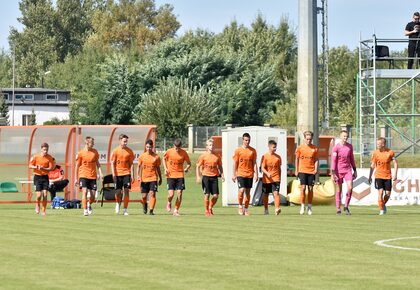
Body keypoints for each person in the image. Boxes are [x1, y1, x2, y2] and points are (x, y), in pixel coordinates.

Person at [368, 137, 398, 215]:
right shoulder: (375, 153)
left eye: (378, 144)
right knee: (380, 192)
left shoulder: (390, 152)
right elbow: (373, 165)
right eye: (377, 143)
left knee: (387, 194)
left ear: (383, 144)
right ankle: (381, 209)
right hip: (378, 175)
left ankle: (383, 204)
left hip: (388, 176)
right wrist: (370, 176)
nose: (377, 145)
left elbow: (395, 163)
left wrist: (395, 174)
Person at [196, 139, 225, 216]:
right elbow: (198, 166)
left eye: (212, 145)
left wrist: (222, 175)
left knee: (216, 196)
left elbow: (220, 166)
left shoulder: (217, 156)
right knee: (207, 194)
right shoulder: (203, 156)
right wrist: (198, 176)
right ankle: (206, 210)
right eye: (210, 145)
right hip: (206, 177)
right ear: (207, 146)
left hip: (214, 177)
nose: (211, 146)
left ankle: (210, 207)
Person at [75, 136, 103, 216]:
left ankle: (88, 204)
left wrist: (100, 173)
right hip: (83, 175)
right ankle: (85, 210)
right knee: (84, 192)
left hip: (92, 176)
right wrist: (76, 178)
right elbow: (77, 166)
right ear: (87, 143)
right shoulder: (81, 153)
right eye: (92, 143)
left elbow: (97, 163)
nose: (93, 144)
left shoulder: (95, 152)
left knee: (93, 196)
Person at [331, 130, 357, 215]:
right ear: (340, 137)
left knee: (350, 187)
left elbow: (352, 159)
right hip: (338, 171)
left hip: (347, 170)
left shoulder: (350, 146)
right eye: (344, 136)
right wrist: (333, 173)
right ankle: (338, 208)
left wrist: (355, 170)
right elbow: (334, 160)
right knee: (339, 189)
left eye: (346, 136)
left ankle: (346, 206)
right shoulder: (336, 147)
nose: (345, 138)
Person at [163, 139, 191, 216]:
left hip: (180, 175)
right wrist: (165, 169)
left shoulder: (184, 153)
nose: (177, 149)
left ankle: (176, 210)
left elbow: (189, 163)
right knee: (171, 195)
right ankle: (169, 202)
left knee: (179, 193)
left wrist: (186, 168)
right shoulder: (169, 151)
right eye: (176, 147)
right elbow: (164, 159)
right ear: (173, 146)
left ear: (180, 146)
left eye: (178, 148)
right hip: (170, 175)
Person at [232, 133, 258, 216]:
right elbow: (235, 162)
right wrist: (234, 174)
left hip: (250, 174)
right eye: (246, 140)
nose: (247, 142)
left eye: (249, 140)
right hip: (240, 173)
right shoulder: (238, 150)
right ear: (243, 140)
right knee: (241, 190)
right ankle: (240, 206)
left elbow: (254, 163)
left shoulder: (253, 151)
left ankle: (246, 209)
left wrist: (256, 174)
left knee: (247, 192)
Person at [295, 131, 319, 215]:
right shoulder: (300, 148)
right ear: (304, 139)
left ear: (312, 139)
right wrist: (296, 170)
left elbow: (316, 159)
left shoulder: (314, 148)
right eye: (307, 139)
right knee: (303, 188)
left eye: (310, 139)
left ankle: (309, 206)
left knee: (310, 188)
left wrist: (316, 169)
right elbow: (297, 159)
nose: (309, 140)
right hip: (302, 170)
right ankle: (302, 205)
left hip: (311, 171)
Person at [111, 134, 135, 216]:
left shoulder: (130, 151)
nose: (125, 143)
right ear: (120, 141)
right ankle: (118, 203)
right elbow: (112, 163)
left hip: (126, 173)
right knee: (118, 192)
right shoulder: (115, 151)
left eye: (126, 141)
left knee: (126, 191)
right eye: (124, 141)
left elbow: (131, 164)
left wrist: (132, 175)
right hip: (118, 174)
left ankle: (125, 210)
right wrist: (114, 174)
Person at [29, 143, 55, 216]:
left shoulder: (49, 157)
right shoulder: (36, 156)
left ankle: (43, 211)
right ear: (41, 149)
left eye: (46, 150)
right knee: (39, 196)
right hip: (37, 177)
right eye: (44, 149)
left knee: (45, 194)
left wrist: (43, 168)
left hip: (45, 177)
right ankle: (37, 205)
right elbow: (30, 165)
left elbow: (51, 168)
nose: (45, 151)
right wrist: (36, 167)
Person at [137, 139, 162, 215]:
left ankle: (151, 210)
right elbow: (138, 166)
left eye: (150, 147)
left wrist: (160, 178)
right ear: (145, 147)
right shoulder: (142, 156)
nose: (149, 149)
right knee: (144, 196)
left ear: (152, 147)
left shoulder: (156, 157)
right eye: (147, 147)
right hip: (144, 179)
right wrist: (138, 175)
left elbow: (158, 168)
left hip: (153, 178)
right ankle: (144, 205)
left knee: (152, 193)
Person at [260, 140, 282, 216]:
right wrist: (267, 173)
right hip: (266, 179)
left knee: (276, 193)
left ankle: (277, 208)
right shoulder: (264, 156)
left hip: (276, 178)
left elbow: (279, 169)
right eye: (273, 147)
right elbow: (262, 168)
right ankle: (266, 209)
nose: (275, 148)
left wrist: (280, 178)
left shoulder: (278, 157)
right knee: (265, 194)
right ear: (269, 147)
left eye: (276, 147)